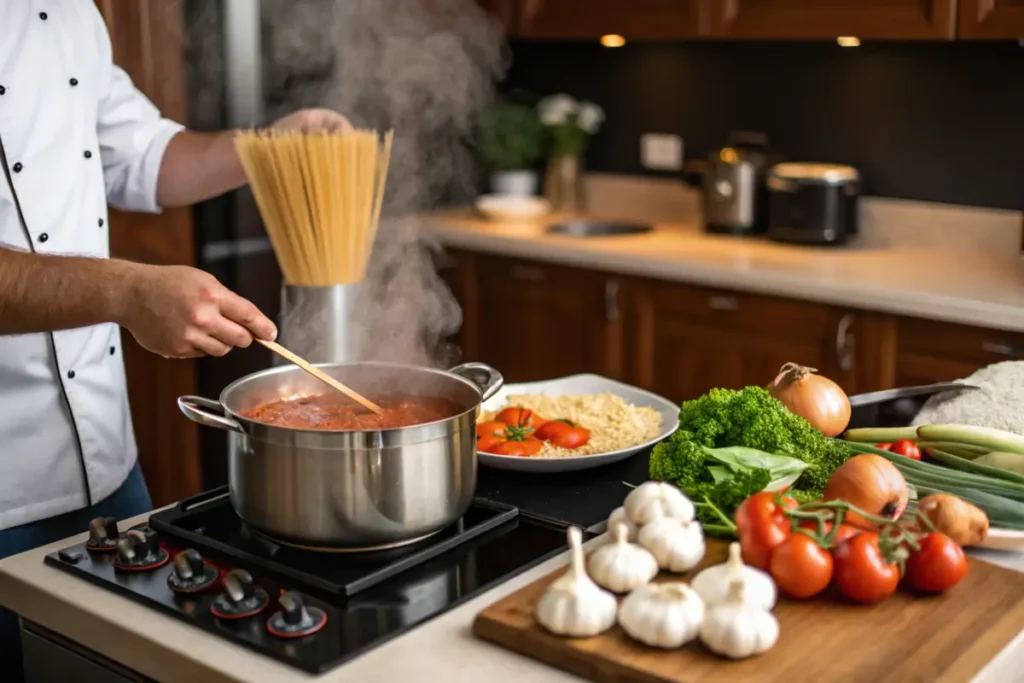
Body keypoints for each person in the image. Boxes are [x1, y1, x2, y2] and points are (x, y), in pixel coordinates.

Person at [0, 2, 351, 675]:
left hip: (110, 472)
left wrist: (273, 145)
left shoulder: (71, 11)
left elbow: (144, 155)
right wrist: (127, 292)